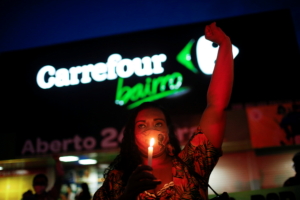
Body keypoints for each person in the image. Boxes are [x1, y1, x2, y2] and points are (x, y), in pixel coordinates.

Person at [93, 22, 234, 200]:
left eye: (158, 123)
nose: (151, 130)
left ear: (168, 132)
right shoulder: (117, 181)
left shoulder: (192, 163)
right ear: (132, 135)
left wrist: (224, 44)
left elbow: (216, 106)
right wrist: (128, 195)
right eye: (142, 125)